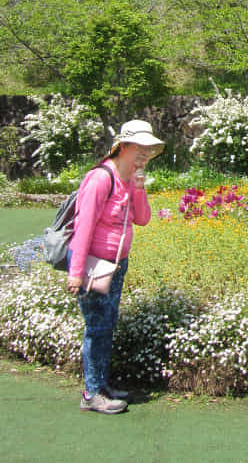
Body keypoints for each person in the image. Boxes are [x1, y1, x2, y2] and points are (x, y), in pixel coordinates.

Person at [67, 119, 164, 414]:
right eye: (139, 148)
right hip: (93, 265)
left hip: (116, 263)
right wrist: (76, 273)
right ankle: (92, 393)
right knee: (97, 327)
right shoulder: (100, 179)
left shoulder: (128, 179)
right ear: (123, 147)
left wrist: (138, 187)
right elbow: (83, 227)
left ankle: (100, 385)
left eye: (149, 149)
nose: (144, 154)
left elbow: (143, 218)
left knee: (106, 326)